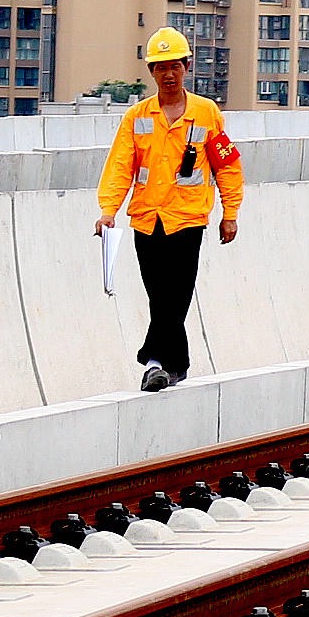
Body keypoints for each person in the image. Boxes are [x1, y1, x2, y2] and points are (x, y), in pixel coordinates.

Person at [93, 25, 242, 392]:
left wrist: (231, 213)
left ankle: (155, 361)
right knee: (160, 296)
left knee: (174, 295)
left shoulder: (207, 114)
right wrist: (108, 210)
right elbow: (119, 167)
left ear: (187, 66)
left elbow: (227, 165)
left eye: (175, 65)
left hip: (188, 220)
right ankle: (176, 365)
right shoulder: (137, 117)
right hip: (146, 220)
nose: (169, 74)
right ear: (151, 72)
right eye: (161, 67)